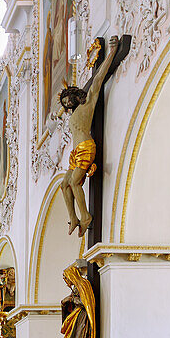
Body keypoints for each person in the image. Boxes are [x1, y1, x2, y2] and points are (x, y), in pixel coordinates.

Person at [55, 36, 120, 237]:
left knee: (75, 182)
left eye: (68, 99)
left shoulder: (87, 104)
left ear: (75, 95)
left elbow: (98, 78)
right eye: (64, 102)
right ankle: (74, 218)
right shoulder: (73, 112)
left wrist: (112, 52)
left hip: (86, 147)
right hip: (76, 152)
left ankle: (85, 216)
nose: (66, 103)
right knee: (64, 184)